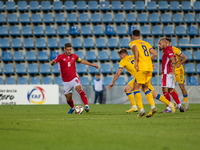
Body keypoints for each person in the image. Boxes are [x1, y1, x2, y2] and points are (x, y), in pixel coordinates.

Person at [108, 48, 175, 114]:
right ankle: (134, 107)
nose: (120, 58)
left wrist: (112, 82)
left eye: (120, 56)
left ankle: (170, 104)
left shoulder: (123, 61)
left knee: (154, 95)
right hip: (143, 75)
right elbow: (143, 62)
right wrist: (150, 65)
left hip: (139, 77)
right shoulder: (134, 56)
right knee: (127, 89)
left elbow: (118, 73)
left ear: (123, 55)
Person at [50, 43, 99, 114]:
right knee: (68, 98)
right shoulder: (60, 57)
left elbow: (81, 60)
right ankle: (73, 108)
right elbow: (54, 62)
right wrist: (52, 62)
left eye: (70, 49)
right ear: (64, 49)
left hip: (74, 78)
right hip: (66, 81)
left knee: (79, 89)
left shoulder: (74, 56)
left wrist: (92, 65)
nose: (69, 51)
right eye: (67, 50)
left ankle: (86, 106)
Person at [129, 29, 158, 118]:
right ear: (140, 36)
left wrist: (136, 62)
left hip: (141, 68)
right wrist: (148, 61)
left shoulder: (133, 43)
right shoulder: (146, 43)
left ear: (132, 36)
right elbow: (155, 53)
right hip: (149, 68)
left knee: (135, 88)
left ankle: (141, 110)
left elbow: (135, 49)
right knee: (145, 88)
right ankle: (153, 107)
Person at [158, 38, 184, 113]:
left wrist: (171, 70)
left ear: (164, 43)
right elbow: (175, 60)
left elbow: (173, 60)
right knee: (171, 90)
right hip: (169, 73)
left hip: (167, 73)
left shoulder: (167, 49)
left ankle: (169, 108)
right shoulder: (170, 49)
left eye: (160, 44)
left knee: (165, 91)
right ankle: (180, 106)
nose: (159, 45)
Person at [165, 37, 189, 111]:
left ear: (170, 43)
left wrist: (180, 63)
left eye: (167, 43)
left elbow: (185, 57)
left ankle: (186, 103)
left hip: (179, 71)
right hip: (171, 71)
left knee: (182, 87)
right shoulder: (164, 50)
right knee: (171, 88)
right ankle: (178, 103)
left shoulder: (176, 50)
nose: (166, 44)